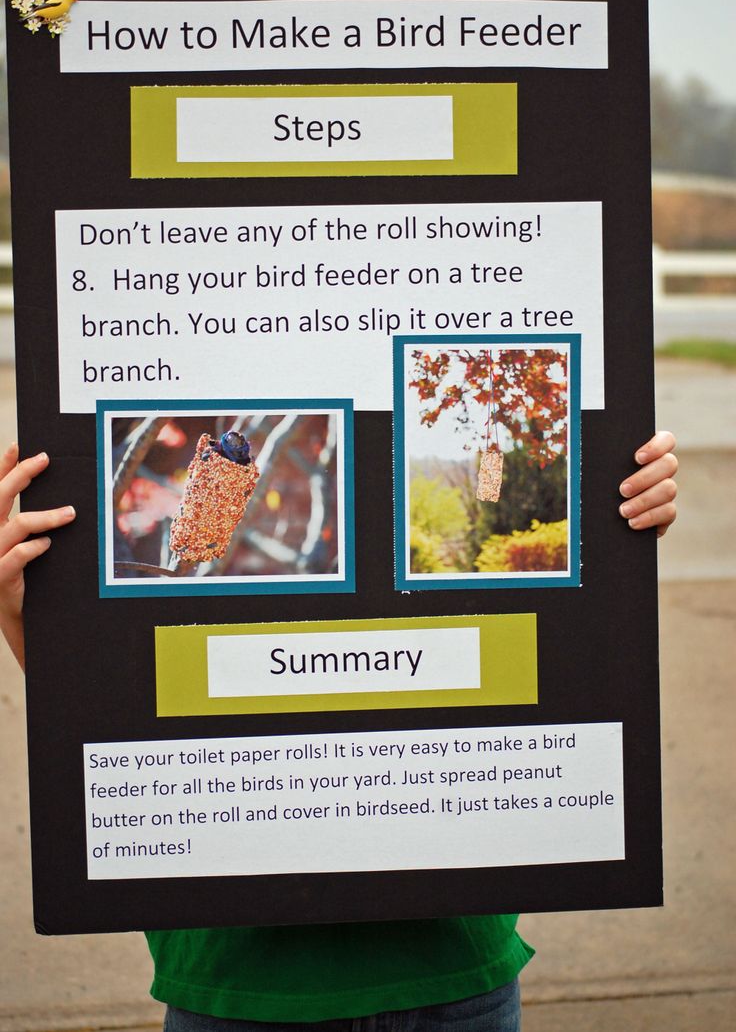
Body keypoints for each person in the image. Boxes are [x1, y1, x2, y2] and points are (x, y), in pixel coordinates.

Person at [0, 433, 678, 1031]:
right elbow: (111, 714)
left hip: (451, 967)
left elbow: (547, 658)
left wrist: (612, 531)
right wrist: (27, 614)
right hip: (238, 986)